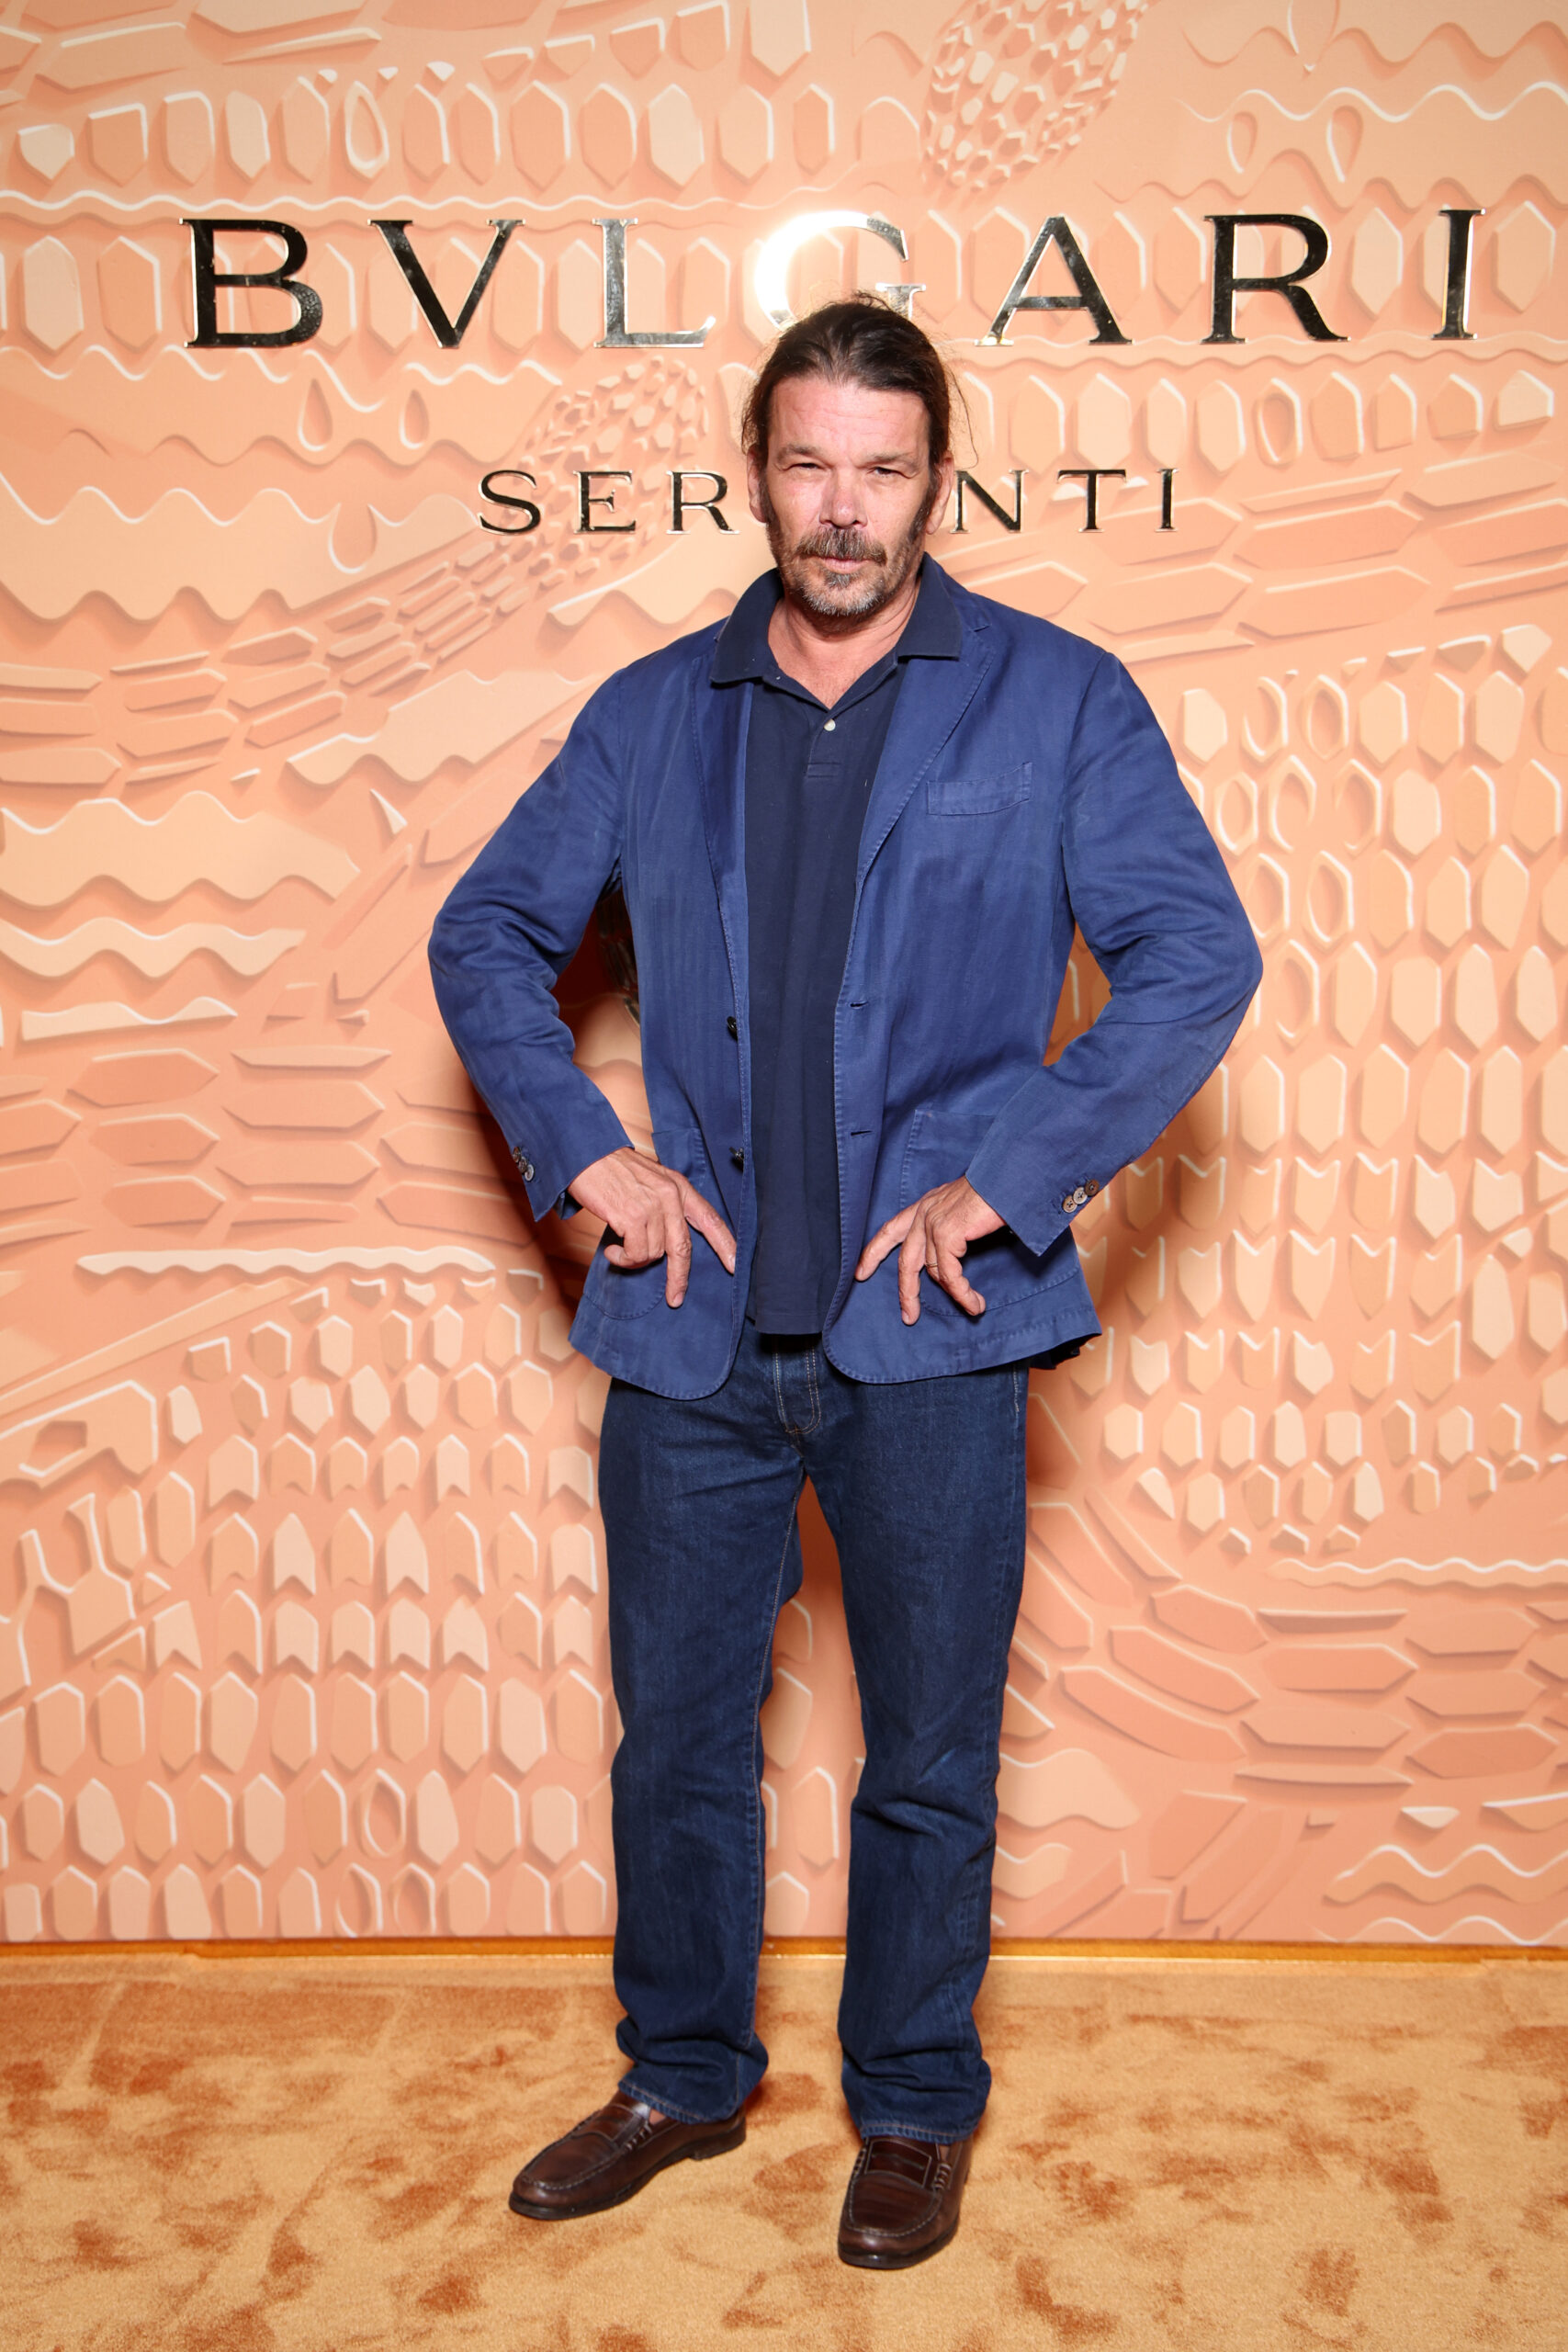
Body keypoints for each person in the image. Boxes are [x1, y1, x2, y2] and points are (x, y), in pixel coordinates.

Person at [429, 297, 1261, 2269]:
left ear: (934, 482)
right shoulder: (651, 712)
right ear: (757, 472)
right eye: (807, 462)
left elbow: (1195, 955)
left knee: (930, 1754)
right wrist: (589, 1151)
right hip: (690, 1332)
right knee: (676, 1742)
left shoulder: (1059, 699)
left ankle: (911, 2106)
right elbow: (486, 936)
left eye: (881, 470)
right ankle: (681, 2074)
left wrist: (1017, 1176)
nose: (841, 506)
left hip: (935, 1336)